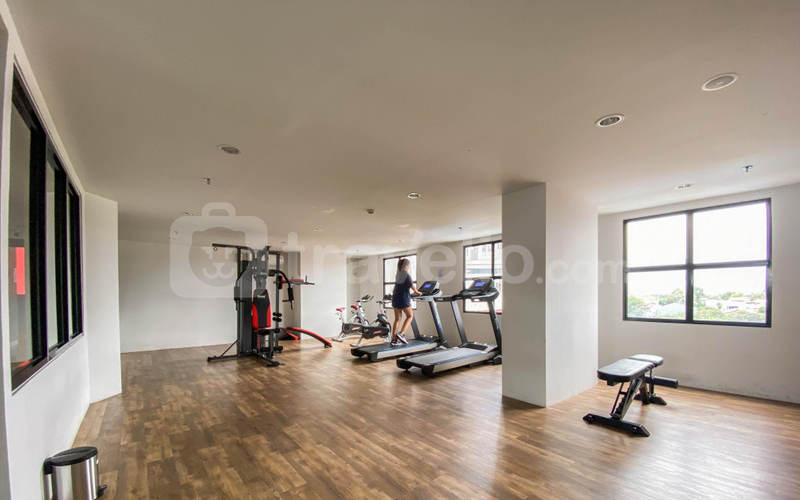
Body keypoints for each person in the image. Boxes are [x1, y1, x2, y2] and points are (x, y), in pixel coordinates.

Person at [391, 258, 419, 346]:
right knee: (410, 316)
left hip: (395, 298)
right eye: (408, 265)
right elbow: (412, 287)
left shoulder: (398, 275)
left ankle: (394, 339)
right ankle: (401, 333)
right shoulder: (406, 275)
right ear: (406, 266)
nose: (408, 267)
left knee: (397, 319)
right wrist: (419, 292)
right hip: (403, 299)